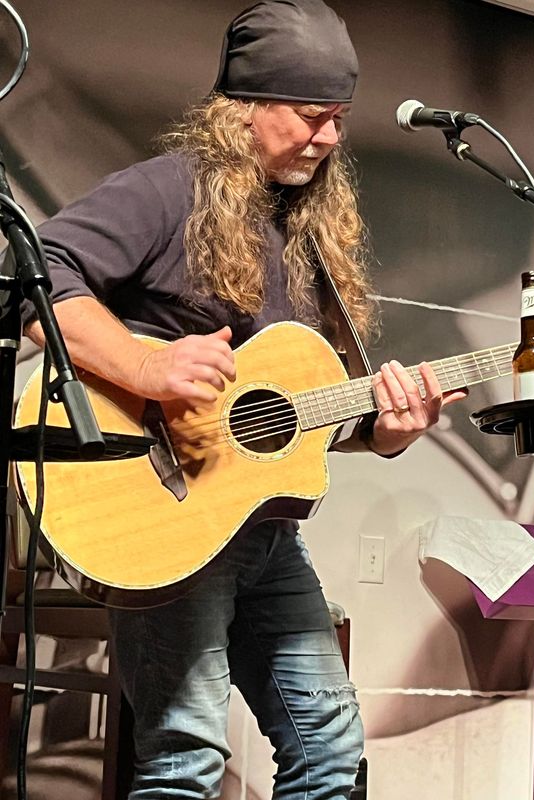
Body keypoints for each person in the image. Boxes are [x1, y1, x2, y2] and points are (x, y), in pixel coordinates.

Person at [18, 1, 466, 797]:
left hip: (263, 531)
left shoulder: (307, 231)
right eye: (311, 115)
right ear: (244, 107)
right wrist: (144, 366)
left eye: (339, 118)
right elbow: (36, 279)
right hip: (163, 518)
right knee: (186, 760)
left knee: (330, 754)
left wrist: (388, 432)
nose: (329, 137)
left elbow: (291, 414)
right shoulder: (168, 191)